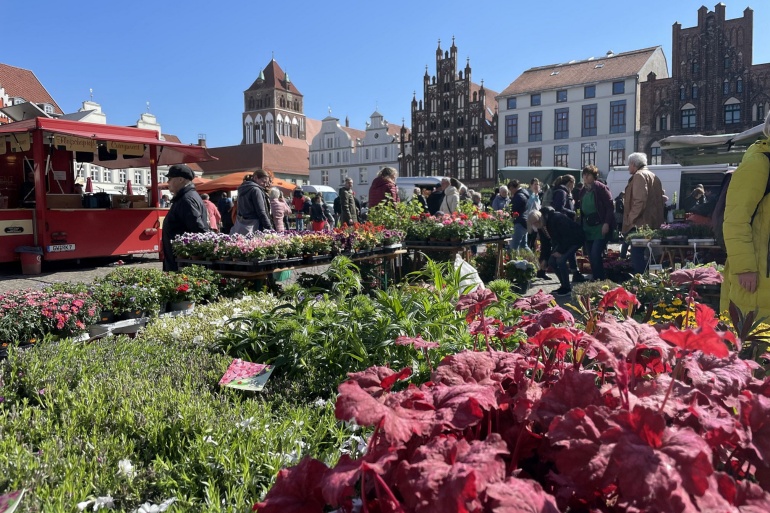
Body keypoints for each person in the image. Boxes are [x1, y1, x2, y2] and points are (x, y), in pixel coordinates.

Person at [721, 112, 770, 318]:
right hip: (758, 277)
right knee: (755, 345)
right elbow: (736, 219)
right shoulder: (759, 163)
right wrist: (744, 268)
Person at [161, 164, 210, 272]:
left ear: (180, 179)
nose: (168, 182)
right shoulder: (185, 197)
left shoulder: (186, 199)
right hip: (179, 261)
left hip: (182, 264)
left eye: (170, 179)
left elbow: (199, 230)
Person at [623, 152, 665, 274]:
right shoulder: (653, 176)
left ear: (633, 164)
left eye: (628, 165)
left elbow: (640, 200)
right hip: (652, 222)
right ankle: (650, 281)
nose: (628, 168)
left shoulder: (639, 176)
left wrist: (631, 219)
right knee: (649, 255)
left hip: (640, 224)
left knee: (637, 255)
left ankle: (640, 283)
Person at [528, 207, 584, 296]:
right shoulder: (541, 226)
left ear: (540, 217)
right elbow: (545, 244)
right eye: (533, 224)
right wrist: (544, 259)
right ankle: (563, 285)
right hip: (562, 242)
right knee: (551, 261)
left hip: (574, 239)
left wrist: (560, 251)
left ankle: (567, 288)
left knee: (560, 260)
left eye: (536, 222)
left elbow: (566, 236)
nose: (535, 225)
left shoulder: (556, 218)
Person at [578, 165, 614, 281]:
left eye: (588, 174)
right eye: (584, 174)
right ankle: (595, 277)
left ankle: (600, 279)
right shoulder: (583, 190)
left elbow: (609, 207)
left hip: (600, 226)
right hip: (588, 227)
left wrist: (606, 223)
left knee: (595, 253)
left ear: (594, 177)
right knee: (590, 255)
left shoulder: (601, 188)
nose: (585, 177)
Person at [231, 170, 274, 234]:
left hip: (242, 223)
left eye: (266, 183)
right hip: (254, 225)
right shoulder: (256, 190)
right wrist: (269, 228)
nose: (265, 185)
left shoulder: (242, 188)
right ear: (256, 178)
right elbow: (261, 212)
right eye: (263, 182)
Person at [509, 179, 531, 251]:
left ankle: (514, 261)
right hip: (525, 221)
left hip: (519, 222)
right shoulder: (525, 194)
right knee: (524, 246)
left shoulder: (519, 196)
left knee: (514, 246)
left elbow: (513, 209)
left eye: (510, 189)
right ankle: (534, 261)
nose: (510, 192)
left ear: (513, 187)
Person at [525, 179, 542, 252]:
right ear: (531, 185)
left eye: (538, 184)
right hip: (529, 221)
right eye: (535, 184)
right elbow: (529, 206)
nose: (537, 186)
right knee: (528, 241)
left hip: (536, 222)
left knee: (534, 241)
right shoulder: (529, 195)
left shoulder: (538, 197)